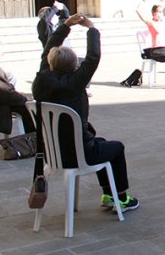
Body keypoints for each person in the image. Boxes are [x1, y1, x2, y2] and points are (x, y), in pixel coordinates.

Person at [32, 13, 139, 212]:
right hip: (78, 152)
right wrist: (91, 28)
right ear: (74, 67)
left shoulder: (41, 80)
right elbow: (93, 57)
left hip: (53, 153)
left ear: (50, 62)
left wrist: (65, 26)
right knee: (117, 148)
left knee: (103, 142)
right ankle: (121, 198)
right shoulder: (75, 83)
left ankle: (109, 194)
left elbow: (47, 51)